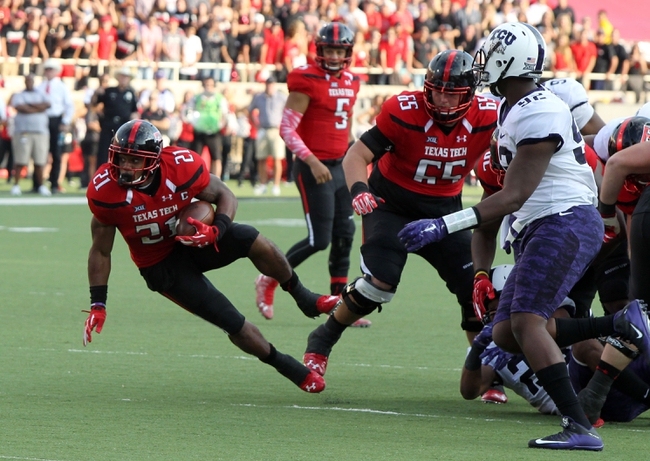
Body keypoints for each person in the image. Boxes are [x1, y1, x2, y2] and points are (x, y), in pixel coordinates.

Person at [398, 22, 650, 451]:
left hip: (564, 220)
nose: (481, 63)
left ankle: (579, 427)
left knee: (527, 322)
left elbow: (513, 196)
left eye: (489, 53)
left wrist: (442, 225)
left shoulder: (538, 110)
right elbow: (497, 202)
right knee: (504, 334)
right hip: (546, 225)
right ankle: (619, 323)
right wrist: (480, 271)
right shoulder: (513, 107)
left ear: (507, 59)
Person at [83, 120, 341, 394]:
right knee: (231, 320)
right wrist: (98, 303)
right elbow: (101, 250)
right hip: (162, 265)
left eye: (135, 160)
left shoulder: (181, 166)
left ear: (156, 160)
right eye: (122, 157)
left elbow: (224, 194)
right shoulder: (105, 192)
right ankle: (287, 365)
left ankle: (303, 297)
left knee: (247, 236)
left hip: (197, 241)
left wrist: (217, 229)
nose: (126, 166)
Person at [300, 48, 499, 377]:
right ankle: (323, 338)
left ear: (471, 93)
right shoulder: (403, 109)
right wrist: (360, 191)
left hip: (444, 211)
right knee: (379, 284)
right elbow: (356, 155)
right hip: (391, 205)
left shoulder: (489, 115)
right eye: (437, 91)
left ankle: (485, 372)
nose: (443, 102)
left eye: (453, 95)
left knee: (474, 288)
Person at [254, 22, 366, 325]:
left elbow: (344, 126)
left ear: (347, 52)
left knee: (345, 236)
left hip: (340, 165)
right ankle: (269, 279)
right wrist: (312, 161)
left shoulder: (353, 81)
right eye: (329, 49)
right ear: (320, 50)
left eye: (338, 50)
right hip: (313, 166)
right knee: (319, 239)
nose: (333, 55)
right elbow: (286, 128)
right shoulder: (306, 79)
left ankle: (343, 307)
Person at [9, 73, 51, 196]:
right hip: (24, 132)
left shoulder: (40, 94)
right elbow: (21, 108)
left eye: (31, 80)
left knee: (40, 161)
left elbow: (47, 104)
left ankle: (41, 185)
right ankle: (16, 185)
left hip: (40, 132)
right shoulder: (19, 95)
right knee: (20, 160)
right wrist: (38, 108)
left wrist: (30, 106)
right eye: (27, 81)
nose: (29, 83)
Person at [37, 59, 75, 194]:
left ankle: (54, 183)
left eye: (50, 69)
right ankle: (38, 183)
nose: (48, 72)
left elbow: (69, 105)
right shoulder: (40, 86)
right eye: (46, 69)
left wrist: (65, 121)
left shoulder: (61, 86)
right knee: (40, 152)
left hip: (56, 120)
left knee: (56, 153)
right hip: (42, 120)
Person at [92, 66, 139, 168]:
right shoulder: (109, 91)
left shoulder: (131, 93)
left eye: (126, 77)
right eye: (122, 76)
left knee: (121, 152)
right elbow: (94, 103)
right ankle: (102, 172)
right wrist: (96, 93)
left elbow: (135, 111)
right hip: (108, 126)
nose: (123, 79)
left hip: (123, 128)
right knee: (103, 152)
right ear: (118, 78)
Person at [248, 76, 287, 196]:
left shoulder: (281, 97)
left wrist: (284, 125)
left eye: (272, 84)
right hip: (263, 129)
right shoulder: (259, 97)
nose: (270, 86)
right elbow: (250, 110)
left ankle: (276, 185)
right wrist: (256, 125)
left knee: (277, 158)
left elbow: (289, 111)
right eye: (268, 84)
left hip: (276, 130)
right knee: (261, 158)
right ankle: (263, 184)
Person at [188, 77, 229, 178]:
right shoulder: (196, 98)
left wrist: (219, 125)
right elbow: (189, 111)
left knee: (216, 158)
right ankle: (195, 179)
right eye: (207, 84)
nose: (208, 87)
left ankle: (217, 180)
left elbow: (225, 114)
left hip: (214, 132)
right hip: (199, 131)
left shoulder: (219, 98)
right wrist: (194, 122)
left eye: (210, 85)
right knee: (196, 158)